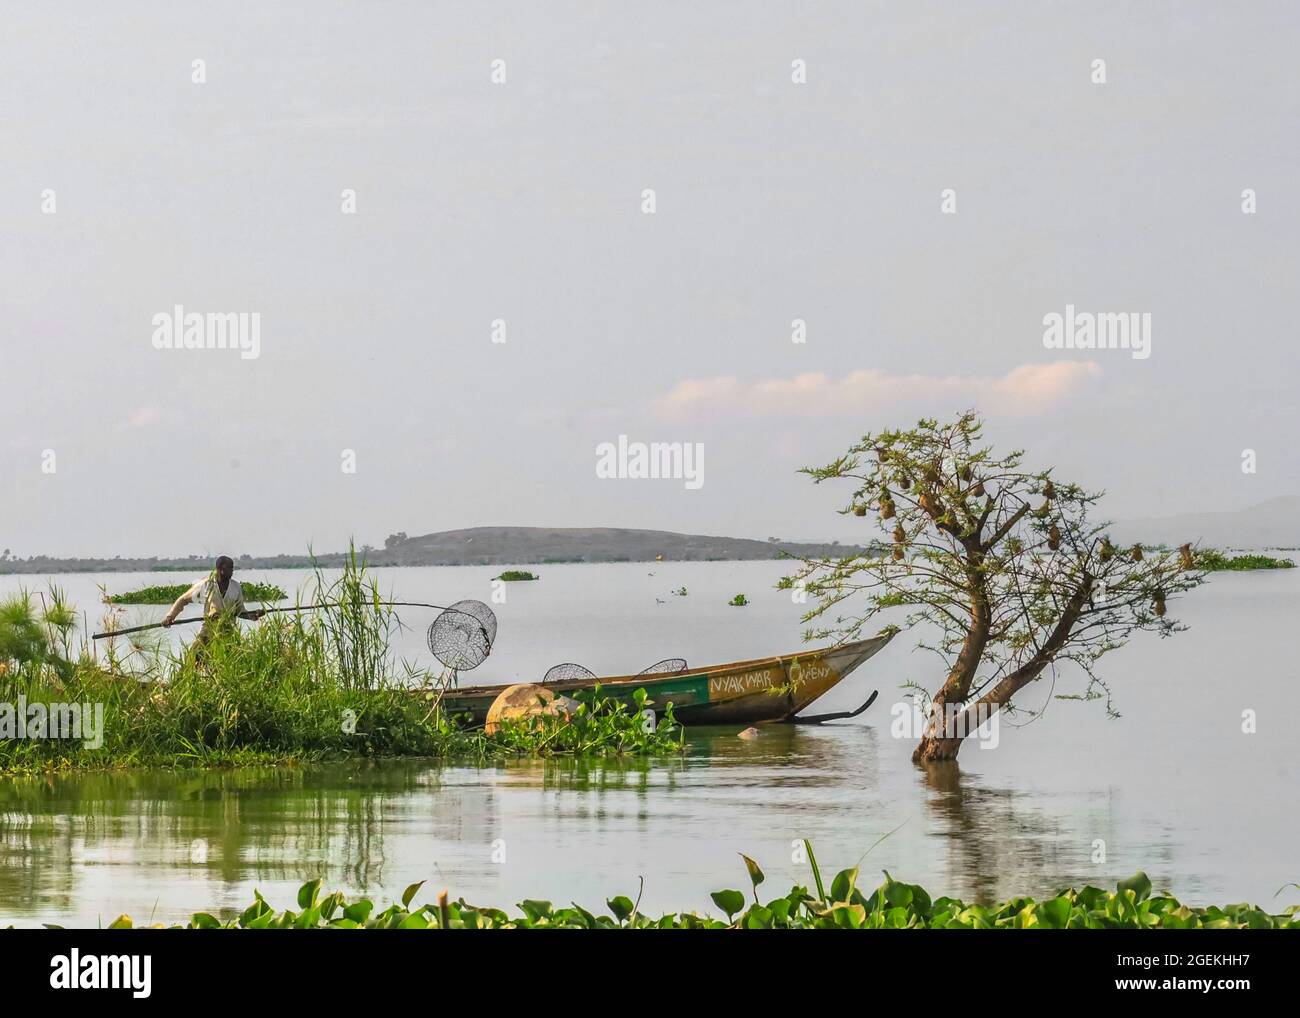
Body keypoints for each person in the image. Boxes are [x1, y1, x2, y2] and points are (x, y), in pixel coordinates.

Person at [161, 556, 265, 655]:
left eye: (232, 567)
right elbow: (183, 599)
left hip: (228, 632)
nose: (232, 570)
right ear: (220, 569)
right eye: (230, 567)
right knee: (194, 659)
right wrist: (170, 617)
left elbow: (240, 612)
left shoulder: (236, 587)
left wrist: (253, 615)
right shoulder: (206, 584)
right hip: (208, 631)